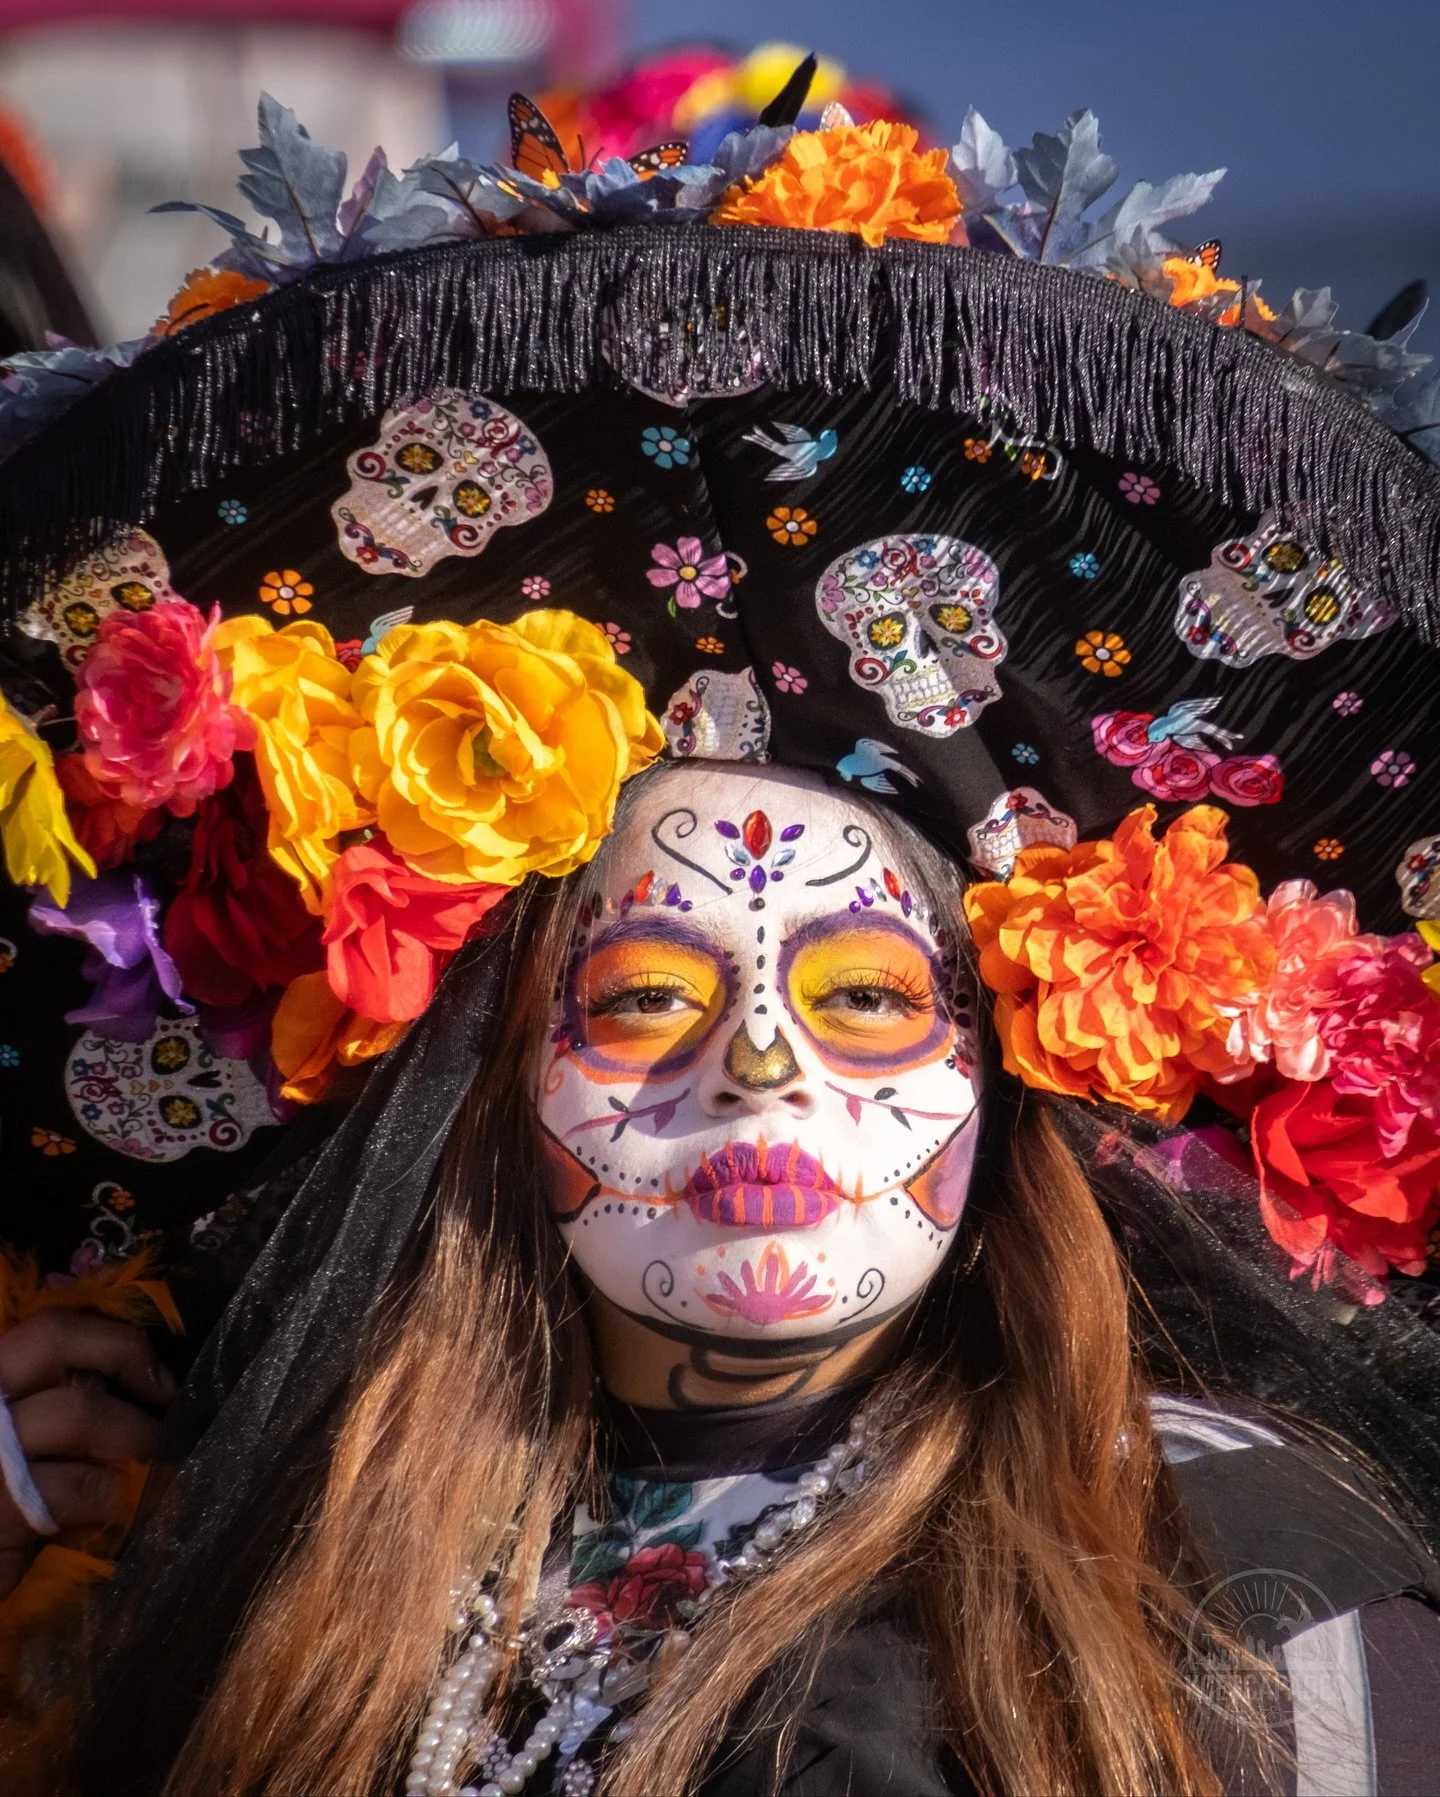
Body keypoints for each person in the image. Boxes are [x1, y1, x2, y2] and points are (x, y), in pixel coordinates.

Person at [1, 63, 1439, 1797]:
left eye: (866, 996)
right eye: (644, 998)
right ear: (495, 1072)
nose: (759, 1065)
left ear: (1002, 1071)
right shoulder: (299, 1539)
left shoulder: (1229, 1565)